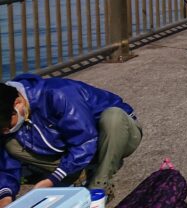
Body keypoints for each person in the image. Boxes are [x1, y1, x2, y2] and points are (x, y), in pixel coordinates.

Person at [0, 75, 143, 204]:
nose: (5, 130)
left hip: (118, 134)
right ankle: (77, 173)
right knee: (11, 144)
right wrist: (5, 197)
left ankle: (100, 185)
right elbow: (6, 166)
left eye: (7, 126)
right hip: (73, 147)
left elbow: (85, 141)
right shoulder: (7, 117)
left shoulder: (58, 93)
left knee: (113, 117)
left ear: (18, 103)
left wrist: (52, 179)